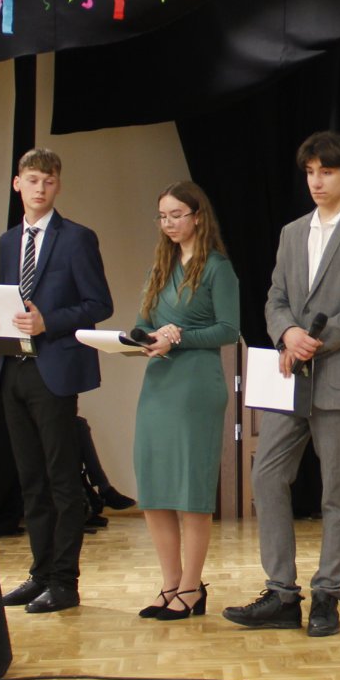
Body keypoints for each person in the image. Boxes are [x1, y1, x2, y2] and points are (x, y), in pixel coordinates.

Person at [224, 131, 340, 637]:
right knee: (266, 476)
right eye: (310, 172)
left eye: (326, 172)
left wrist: (315, 341)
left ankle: (327, 594)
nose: (316, 181)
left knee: (337, 493)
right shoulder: (292, 232)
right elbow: (275, 297)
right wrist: (286, 333)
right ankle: (281, 593)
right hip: (289, 378)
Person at [0, 148, 113, 614]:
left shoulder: (77, 238)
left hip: (53, 370)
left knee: (61, 480)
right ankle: (40, 573)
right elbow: (11, 299)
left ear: (58, 185)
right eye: (32, 180)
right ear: (17, 183)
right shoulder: (7, 240)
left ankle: (64, 581)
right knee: (30, 479)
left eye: (48, 181)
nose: (40, 188)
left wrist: (47, 321)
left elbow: (99, 304)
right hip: (12, 366)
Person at [131, 181, 241, 620]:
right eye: (163, 216)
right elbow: (141, 323)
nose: (169, 223)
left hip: (196, 386)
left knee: (191, 489)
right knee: (155, 488)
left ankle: (193, 588)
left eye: (177, 215)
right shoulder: (160, 266)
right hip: (158, 386)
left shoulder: (217, 268)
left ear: (198, 216)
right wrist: (145, 338)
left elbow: (229, 330)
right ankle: (170, 584)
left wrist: (179, 337)